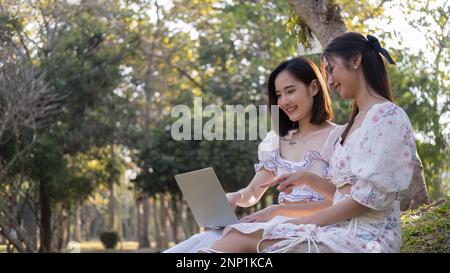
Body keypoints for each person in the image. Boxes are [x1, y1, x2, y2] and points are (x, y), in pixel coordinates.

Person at [205, 32, 416, 253]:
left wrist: (295, 223)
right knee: (234, 237)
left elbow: (364, 200)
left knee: (242, 238)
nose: (331, 81)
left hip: (365, 237)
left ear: (356, 60)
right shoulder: (357, 121)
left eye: (332, 70)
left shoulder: (387, 117)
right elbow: (342, 194)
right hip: (341, 228)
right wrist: (308, 179)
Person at [164, 56, 337, 252]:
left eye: (290, 91)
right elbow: (253, 192)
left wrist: (278, 210)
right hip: (276, 222)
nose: (284, 101)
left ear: (314, 88)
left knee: (225, 243)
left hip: (313, 227)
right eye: (278, 95)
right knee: (205, 239)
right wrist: (235, 197)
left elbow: (339, 201)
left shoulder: (338, 137)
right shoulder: (276, 139)